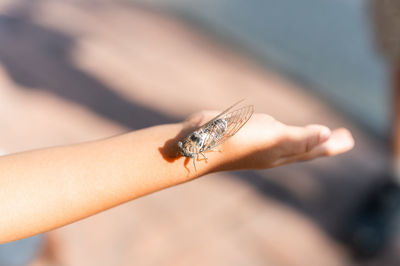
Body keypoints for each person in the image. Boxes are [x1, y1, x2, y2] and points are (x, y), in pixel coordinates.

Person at [0, 109, 354, 244]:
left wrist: (194, 134)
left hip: (209, 132)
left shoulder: (188, 145)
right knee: (25, 244)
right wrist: (222, 153)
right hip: (206, 137)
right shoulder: (188, 150)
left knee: (24, 243)